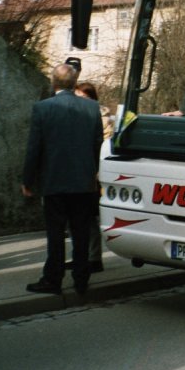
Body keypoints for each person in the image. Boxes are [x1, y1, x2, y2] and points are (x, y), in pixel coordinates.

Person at [21, 63, 104, 295]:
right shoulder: (91, 108)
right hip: (83, 180)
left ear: (53, 82)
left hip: (54, 180)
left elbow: (34, 148)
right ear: (74, 82)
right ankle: (81, 278)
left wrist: (28, 180)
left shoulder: (42, 108)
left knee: (55, 233)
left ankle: (53, 278)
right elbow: (98, 145)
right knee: (81, 232)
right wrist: (97, 175)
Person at [73, 81, 113, 272]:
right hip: (78, 170)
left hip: (93, 172)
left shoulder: (101, 116)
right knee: (77, 217)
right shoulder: (76, 114)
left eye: (84, 97)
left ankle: (94, 257)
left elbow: (103, 145)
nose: (80, 101)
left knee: (88, 216)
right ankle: (81, 255)